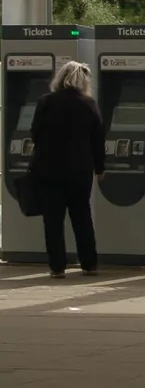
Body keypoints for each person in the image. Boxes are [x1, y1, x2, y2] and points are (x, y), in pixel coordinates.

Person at [28, 60, 106, 279]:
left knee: (53, 219)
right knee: (82, 216)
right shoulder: (88, 104)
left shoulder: (45, 102)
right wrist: (100, 168)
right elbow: (97, 139)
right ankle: (89, 264)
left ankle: (57, 267)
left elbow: (35, 133)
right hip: (80, 170)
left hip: (49, 169)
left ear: (60, 78)